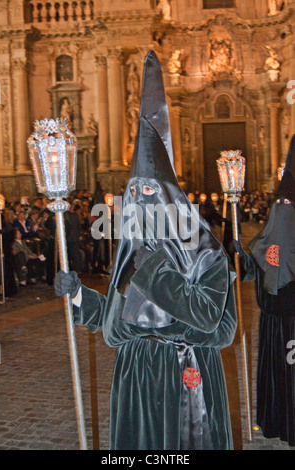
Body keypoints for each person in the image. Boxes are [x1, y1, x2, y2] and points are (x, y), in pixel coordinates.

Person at [55, 51, 237, 450]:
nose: (140, 201)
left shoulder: (206, 253)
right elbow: (116, 325)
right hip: (135, 378)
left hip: (184, 376)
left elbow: (216, 326)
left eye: (150, 191)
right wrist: (78, 296)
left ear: (173, 199)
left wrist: (154, 269)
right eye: (133, 192)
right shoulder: (131, 248)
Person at [234, 134, 295, 447]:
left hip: (283, 310)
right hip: (282, 311)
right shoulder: (285, 205)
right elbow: (268, 251)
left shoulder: (284, 205)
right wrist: (244, 255)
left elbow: (268, 251)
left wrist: (249, 256)